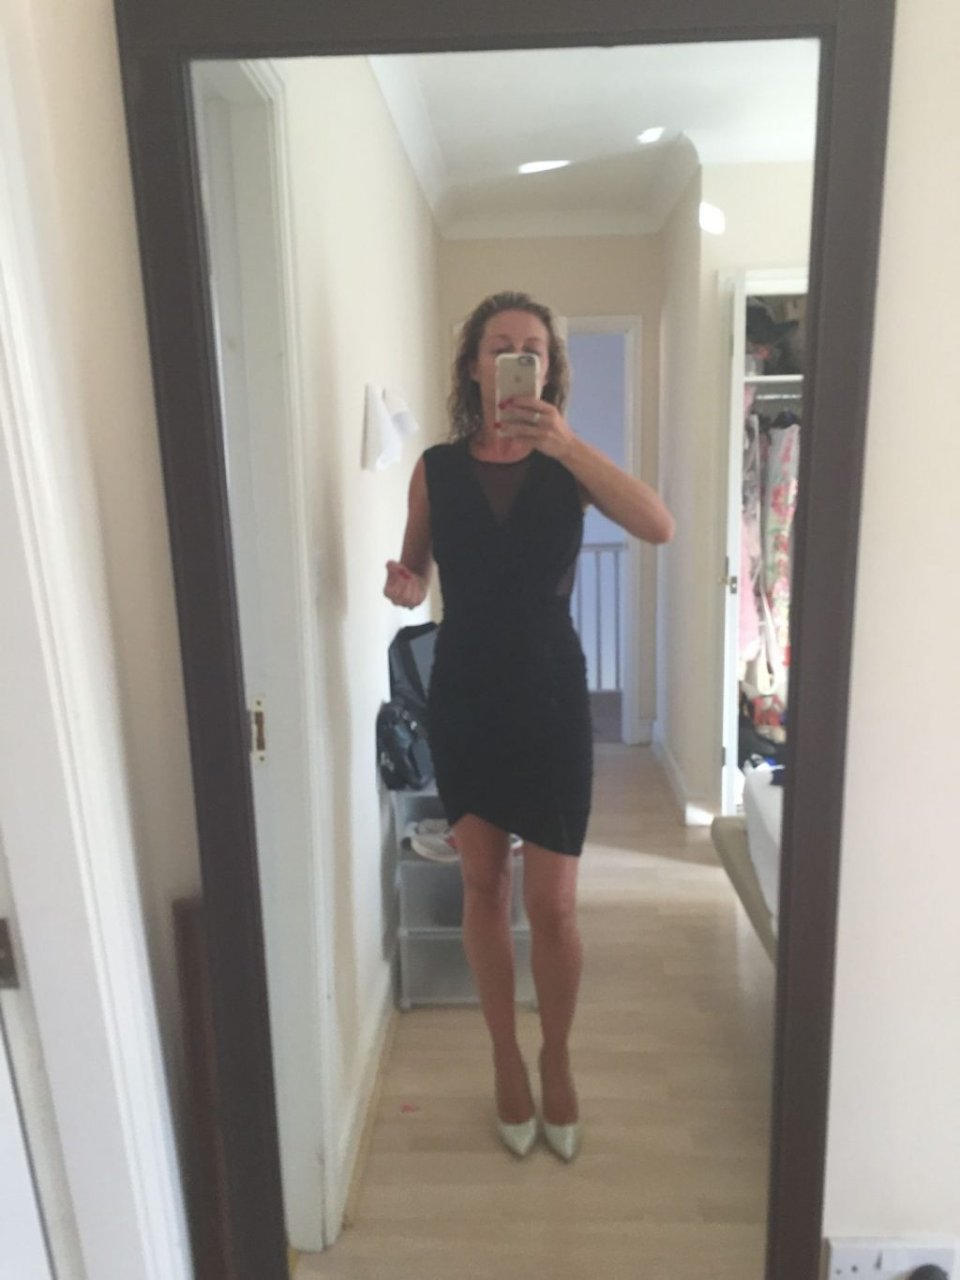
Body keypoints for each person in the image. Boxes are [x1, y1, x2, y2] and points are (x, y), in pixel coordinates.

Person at [383, 291, 674, 1162]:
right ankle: (504, 1056)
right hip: (466, 695)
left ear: (548, 370)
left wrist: (569, 444)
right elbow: (415, 569)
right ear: (475, 365)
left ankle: (556, 1055)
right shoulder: (435, 468)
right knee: (482, 887)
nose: (518, 359)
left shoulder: (567, 467)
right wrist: (403, 584)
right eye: (501, 346)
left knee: (554, 904)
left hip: (550, 696)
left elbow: (658, 525)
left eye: (533, 349)